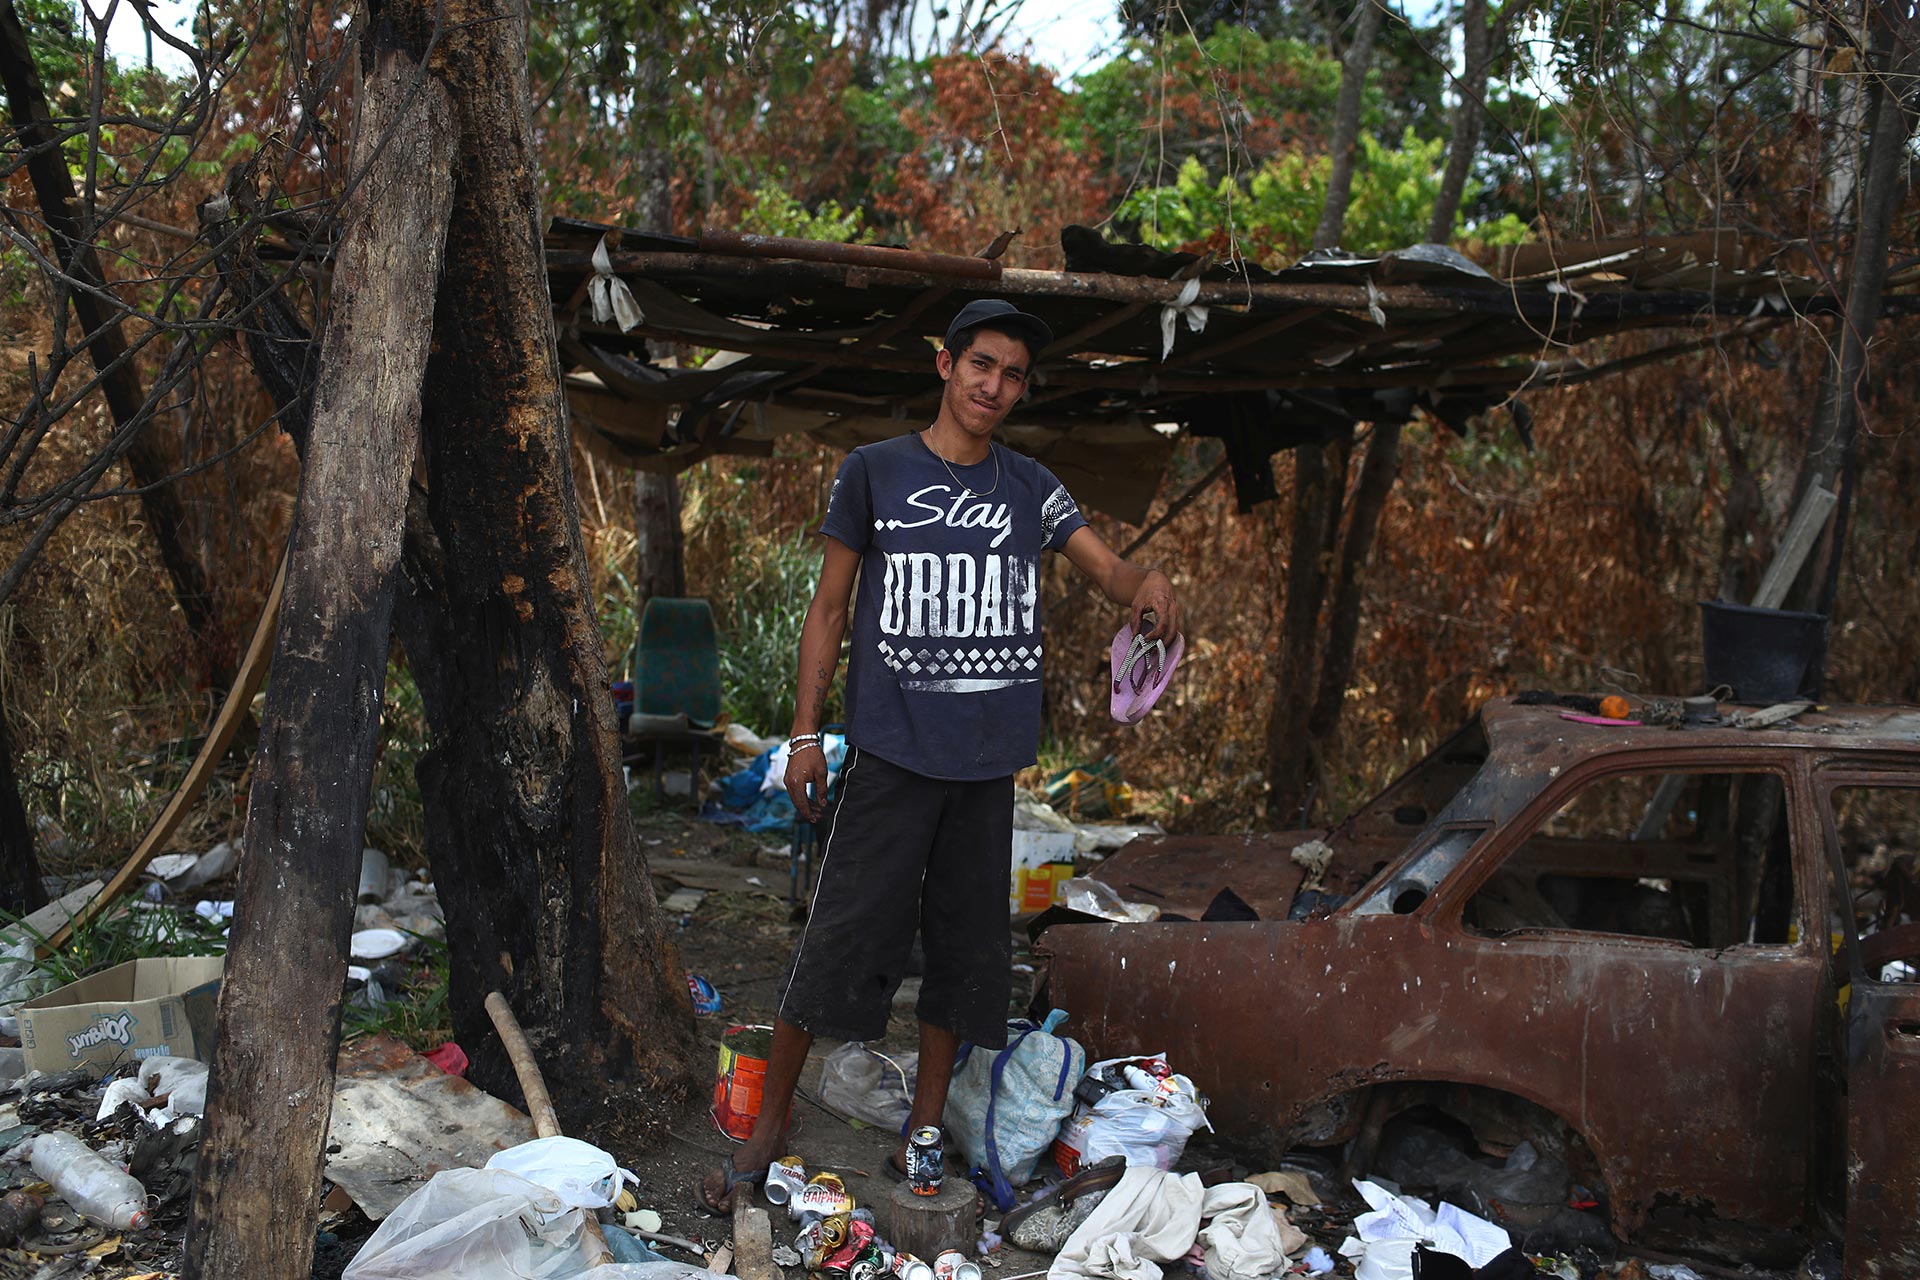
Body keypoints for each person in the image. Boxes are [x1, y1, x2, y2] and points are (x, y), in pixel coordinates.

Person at [699, 298, 1182, 1210]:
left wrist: (1145, 586)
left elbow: (1110, 571)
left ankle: (923, 1135)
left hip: (986, 767)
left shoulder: (1031, 485)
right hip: (889, 757)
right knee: (834, 944)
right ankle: (765, 1135)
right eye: (981, 365)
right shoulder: (873, 473)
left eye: (1013, 375)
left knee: (966, 961)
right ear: (945, 365)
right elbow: (830, 609)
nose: (995, 386)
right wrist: (806, 734)